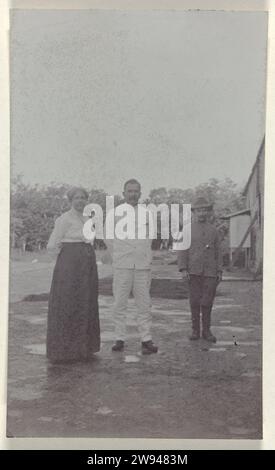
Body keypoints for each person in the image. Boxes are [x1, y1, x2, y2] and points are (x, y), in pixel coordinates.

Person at [104, 179, 158, 355]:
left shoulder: (147, 213)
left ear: (140, 193)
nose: (133, 194)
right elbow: (108, 238)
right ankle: (119, 338)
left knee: (144, 304)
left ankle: (146, 339)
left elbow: (151, 237)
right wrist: (119, 256)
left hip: (142, 265)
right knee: (120, 303)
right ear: (124, 193)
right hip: (122, 265)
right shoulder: (114, 213)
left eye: (136, 191)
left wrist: (145, 256)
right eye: (130, 191)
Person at [46, 187, 100, 363]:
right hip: (70, 265)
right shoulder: (64, 219)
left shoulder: (88, 219)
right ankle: (65, 350)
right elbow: (52, 245)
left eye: (83, 197)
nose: (80, 200)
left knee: (85, 301)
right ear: (70, 200)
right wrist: (64, 260)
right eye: (76, 197)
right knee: (68, 302)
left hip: (87, 264)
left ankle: (84, 348)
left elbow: (90, 240)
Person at [177, 196, 222, 343]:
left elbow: (219, 252)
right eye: (199, 210)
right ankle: (195, 330)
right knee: (195, 301)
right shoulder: (187, 229)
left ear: (208, 212)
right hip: (193, 271)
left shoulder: (213, 230)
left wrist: (219, 271)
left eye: (204, 210)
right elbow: (182, 250)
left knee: (207, 301)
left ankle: (207, 331)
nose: (202, 213)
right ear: (194, 212)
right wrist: (183, 269)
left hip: (210, 272)